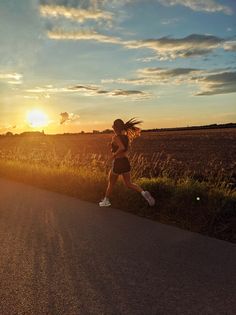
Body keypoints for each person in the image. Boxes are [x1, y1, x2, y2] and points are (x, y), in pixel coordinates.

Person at [99, 118, 155, 207]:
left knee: (111, 183)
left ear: (115, 128)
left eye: (113, 126)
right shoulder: (126, 137)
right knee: (129, 183)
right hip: (125, 162)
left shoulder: (116, 137)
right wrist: (112, 146)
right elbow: (123, 148)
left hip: (118, 162)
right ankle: (143, 192)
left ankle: (106, 201)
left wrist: (113, 156)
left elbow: (121, 148)